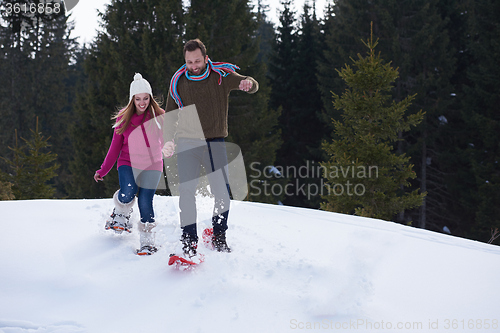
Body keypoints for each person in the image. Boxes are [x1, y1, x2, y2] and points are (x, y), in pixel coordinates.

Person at [164, 38, 259, 259]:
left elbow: (249, 82)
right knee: (186, 193)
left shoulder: (220, 76)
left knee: (222, 193)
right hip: (187, 143)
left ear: (206, 59)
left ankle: (219, 236)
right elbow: (170, 115)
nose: (193, 66)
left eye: (197, 61)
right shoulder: (178, 82)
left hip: (215, 142)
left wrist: (249, 84)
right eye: (189, 62)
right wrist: (168, 140)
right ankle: (189, 242)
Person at [94, 73, 172, 256]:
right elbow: (114, 149)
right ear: (132, 100)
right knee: (128, 190)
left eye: (146, 98)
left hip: (153, 164)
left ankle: (147, 242)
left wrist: (169, 147)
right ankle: (120, 212)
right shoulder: (124, 119)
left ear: (150, 98)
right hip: (128, 162)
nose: (142, 102)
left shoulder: (160, 117)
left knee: (145, 201)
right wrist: (103, 170)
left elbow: (168, 140)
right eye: (138, 99)